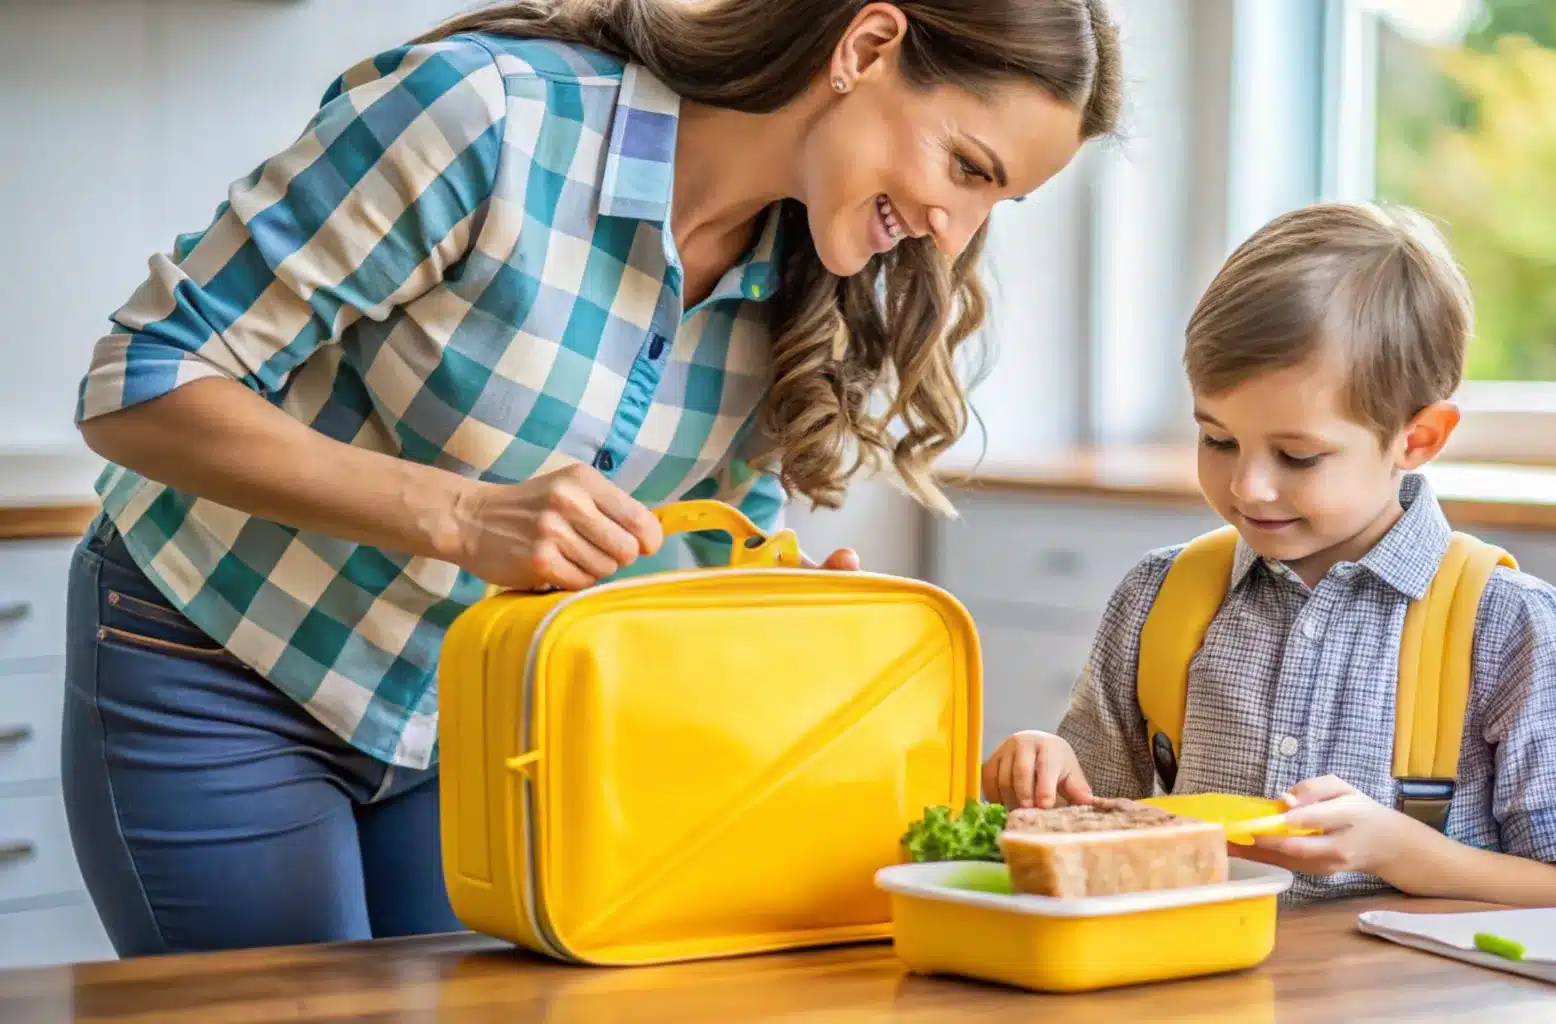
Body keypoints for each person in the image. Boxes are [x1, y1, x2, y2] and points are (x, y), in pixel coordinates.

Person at [64, 0, 1123, 955]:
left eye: (999, 202)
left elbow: (697, 532)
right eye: (966, 168)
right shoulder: (484, 118)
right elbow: (141, 379)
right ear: (866, 46)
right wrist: (465, 515)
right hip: (222, 665)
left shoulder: (802, 269)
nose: (957, 230)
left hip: (478, 724)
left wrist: (768, 606)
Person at [980, 202, 1556, 907]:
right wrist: (1046, 768)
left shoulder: (1511, 627)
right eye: (1217, 440)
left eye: (1298, 455)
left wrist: (1397, 849)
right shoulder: (1157, 598)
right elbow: (1094, 816)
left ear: (1417, 439)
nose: (1247, 486)